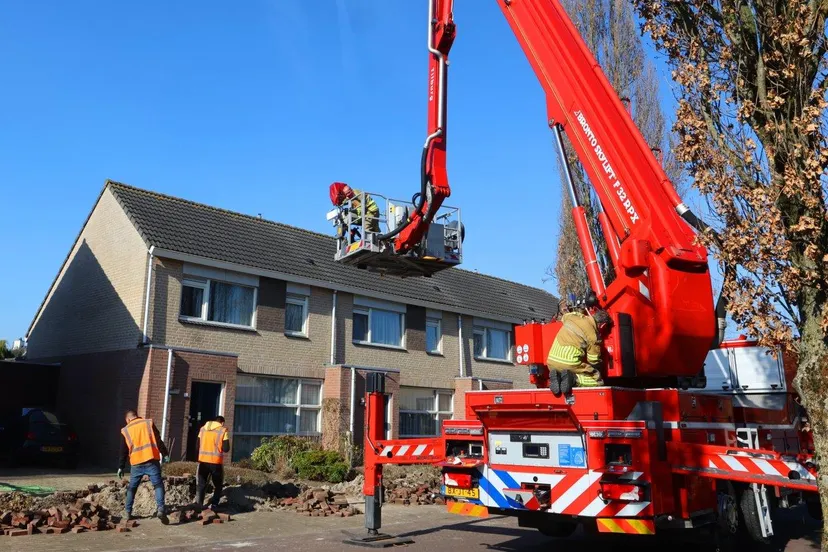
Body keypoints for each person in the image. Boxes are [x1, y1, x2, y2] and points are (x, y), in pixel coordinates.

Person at [118, 410, 170, 523]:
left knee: (132, 488)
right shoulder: (148, 423)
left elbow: (123, 450)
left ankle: (127, 513)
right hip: (151, 459)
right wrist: (165, 454)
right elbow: (158, 440)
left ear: (128, 419)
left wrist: (121, 466)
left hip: (136, 463)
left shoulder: (126, 430)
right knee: (158, 485)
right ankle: (161, 509)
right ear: (137, 416)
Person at [547, 309, 612, 395]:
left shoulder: (572, 316)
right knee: (597, 381)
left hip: (551, 362)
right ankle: (573, 380)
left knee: (564, 372)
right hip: (568, 364)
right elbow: (593, 360)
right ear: (603, 325)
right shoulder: (593, 336)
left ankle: (558, 378)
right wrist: (598, 368)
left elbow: (564, 316)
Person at [195, 415, 230, 510]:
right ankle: (214, 505)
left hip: (203, 462)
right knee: (218, 485)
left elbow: (197, 446)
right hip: (216, 462)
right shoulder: (223, 430)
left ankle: (199, 505)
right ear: (222, 423)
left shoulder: (202, 429)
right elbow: (226, 448)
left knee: (201, 484)